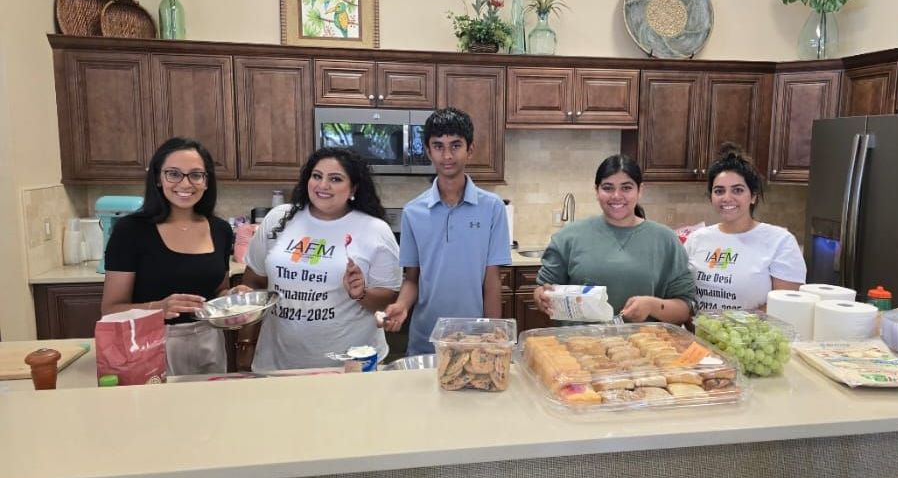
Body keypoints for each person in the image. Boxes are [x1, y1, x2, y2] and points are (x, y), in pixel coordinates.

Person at [237, 147, 401, 371]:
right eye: (317, 176)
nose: (323, 185)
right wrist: (245, 343)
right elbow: (254, 282)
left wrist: (360, 293)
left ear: (353, 187)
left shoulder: (374, 230)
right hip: (277, 363)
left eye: (335, 179)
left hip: (350, 366)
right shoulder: (279, 219)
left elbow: (388, 300)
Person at [100, 137, 233, 375]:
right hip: (149, 343)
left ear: (206, 181)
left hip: (209, 342)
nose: (185, 183)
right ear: (158, 179)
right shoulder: (131, 231)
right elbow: (110, 309)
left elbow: (217, 293)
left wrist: (232, 296)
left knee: (211, 409)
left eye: (196, 174)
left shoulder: (220, 230)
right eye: (174, 174)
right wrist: (158, 308)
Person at [384, 107, 511, 355]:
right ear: (429, 151)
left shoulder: (492, 207)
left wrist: (493, 335)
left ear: (470, 150)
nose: (447, 155)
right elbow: (412, 278)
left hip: (476, 339)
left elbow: (492, 279)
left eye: (455, 145)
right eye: (438, 146)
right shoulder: (413, 212)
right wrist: (401, 305)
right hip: (426, 338)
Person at [533, 155, 696, 324]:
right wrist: (541, 297)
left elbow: (685, 309)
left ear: (640, 190)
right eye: (608, 188)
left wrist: (652, 306)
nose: (616, 195)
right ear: (597, 191)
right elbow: (542, 290)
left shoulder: (665, 240)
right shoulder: (568, 237)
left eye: (626, 188)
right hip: (579, 345)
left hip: (644, 346)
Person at [684, 143, 806, 312]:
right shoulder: (696, 239)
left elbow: (786, 305)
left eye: (738, 190)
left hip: (752, 338)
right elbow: (684, 296)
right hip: (699, 337)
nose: (727, 198)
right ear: (711, 196)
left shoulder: (780, 241)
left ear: (753, 196)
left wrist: (729, 327)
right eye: (719, 191)